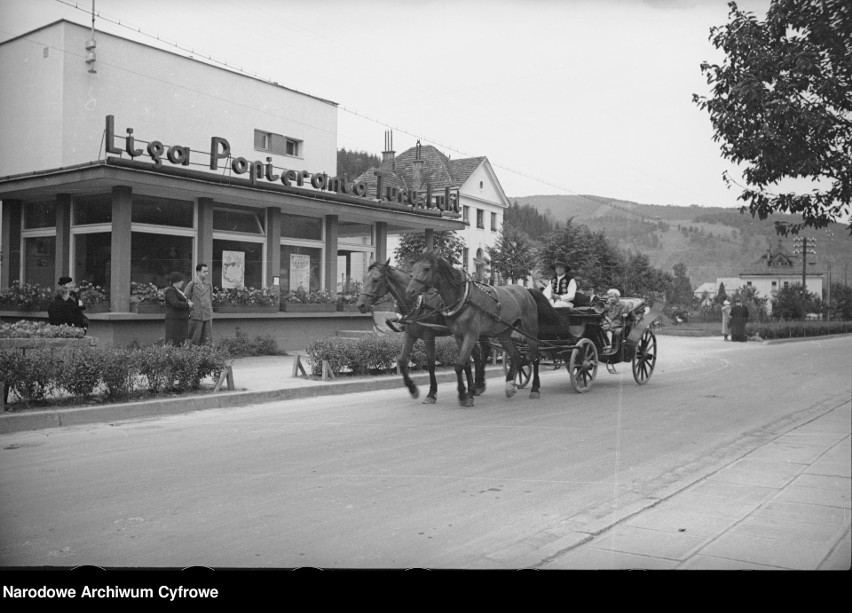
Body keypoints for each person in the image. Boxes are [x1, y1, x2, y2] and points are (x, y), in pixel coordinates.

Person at [183, 263, 213, 346]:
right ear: (198, 272)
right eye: (204, 271)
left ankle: (206, 356)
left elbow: (210, 299)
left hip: (207, 315)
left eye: (207, 271)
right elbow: (185, 298)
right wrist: (191, 306)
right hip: (196, 315)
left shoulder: (209, 284)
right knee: (195, 339)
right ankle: (193, 356)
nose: (206, 273)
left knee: (207, 339)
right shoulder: (192, 284)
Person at [163, 271, 192, 346]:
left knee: (180, 341)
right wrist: (187, 304)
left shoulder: (177, 291)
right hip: (174, 321)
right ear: (176, 281)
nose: (182, 282)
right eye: (181, 280)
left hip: (181, 320)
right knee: (173, 341)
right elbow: (175, 303)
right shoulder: (170, 290)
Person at [601, 288, 627, 353]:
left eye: (612, 297)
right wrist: (606, 319)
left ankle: (609, 346)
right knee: (600, 327)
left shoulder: (622, 305)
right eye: (609, 297)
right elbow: (604, 314)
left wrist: (625, 314)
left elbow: (625, 313)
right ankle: (602, 345)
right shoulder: (608, 305)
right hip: (608, 322)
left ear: (617, 297)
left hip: (617, 322)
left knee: (608, 329)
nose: (611, 299)